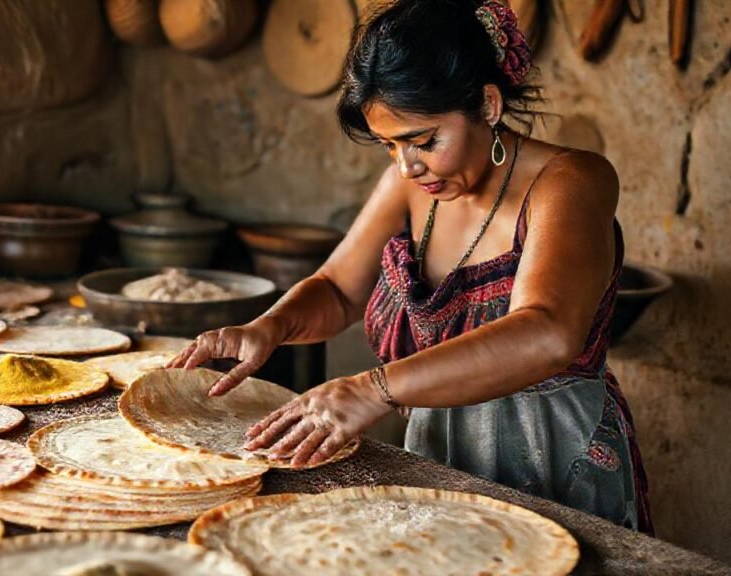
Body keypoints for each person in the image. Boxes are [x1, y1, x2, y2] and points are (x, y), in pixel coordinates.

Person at [168, 0, 652, 534]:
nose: (407, 165)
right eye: (389, 146)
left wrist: (368, 389)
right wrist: (269, 327)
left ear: (488, 105)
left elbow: (547, 332)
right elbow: (337, 289)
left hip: (554, 456)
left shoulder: (570, 181)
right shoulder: (411, 183)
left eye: (424, 141)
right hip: (438, 452)